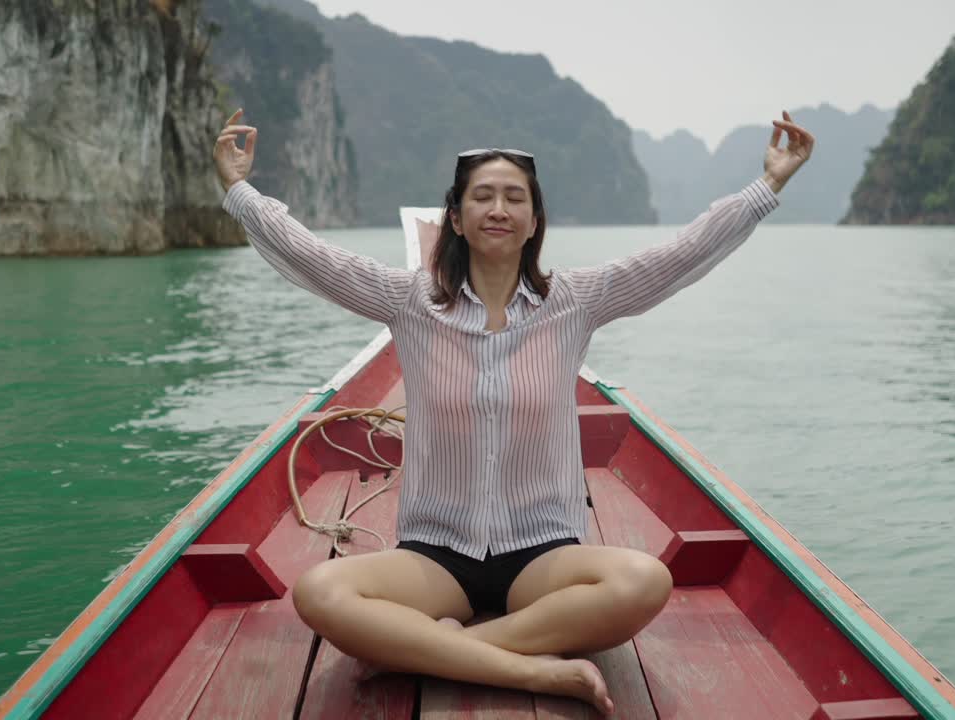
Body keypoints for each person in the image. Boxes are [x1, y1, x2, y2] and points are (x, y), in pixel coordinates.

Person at [212, 108, 814, 715]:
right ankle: (539, 674)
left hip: (543, 554)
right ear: (456, 217)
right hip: (435, 555)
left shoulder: (572, 302)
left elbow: (679, 256)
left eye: (513, 197)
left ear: (533, 221)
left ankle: (443, 650)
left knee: (645, 581)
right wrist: (240, 192)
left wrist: (766, 188)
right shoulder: (410, 302)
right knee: (319, 592)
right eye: (482, 196)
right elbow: (313, 258)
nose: (498, 208)